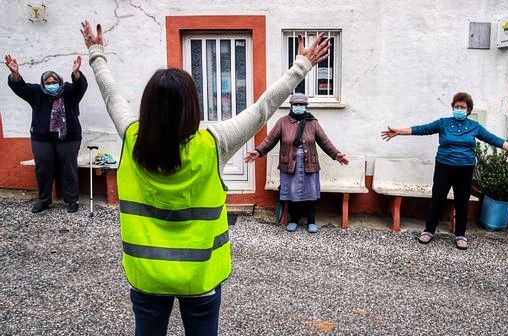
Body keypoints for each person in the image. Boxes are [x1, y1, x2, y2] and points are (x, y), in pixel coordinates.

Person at [80, 20, 329, 336]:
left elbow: (112, 96)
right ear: (192, 106)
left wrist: (96, 53)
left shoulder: (132, 139)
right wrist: (302, 66)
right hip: (200, 277)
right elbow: (263, 108)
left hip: (146, 275)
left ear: (148, 107)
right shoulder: (213, 144)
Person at [381, 92, 508, 250]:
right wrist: (399, 131)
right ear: (452, 107)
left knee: (462, 202)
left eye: (463, 107)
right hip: (444, 168)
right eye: (457, 106)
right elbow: (422, 129)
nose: (459, 109)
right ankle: (429, 231)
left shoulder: (475, 127)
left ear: (468, 110)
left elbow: (493, 139)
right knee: (437, 199)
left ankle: (460, 234)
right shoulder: (443, 123)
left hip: (465, 169)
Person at [244, 93, 348, 233]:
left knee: (310, 193)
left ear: (306, 106)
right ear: (291, 106)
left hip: (309, 164)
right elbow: (270, 140)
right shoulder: (282, 122)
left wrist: (336, 155)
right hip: (289, 165)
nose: (299, 107)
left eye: (302, 105)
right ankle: (294, 220)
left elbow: (324, 141)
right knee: (292, 193)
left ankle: (311, 221)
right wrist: (258, 151)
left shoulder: (313, 122)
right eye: (296, 104)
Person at [5, 54, 87, 213]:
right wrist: (15, 74)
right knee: (43, 168)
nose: (51, 85)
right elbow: (20, 87)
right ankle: (44, 200)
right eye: (48, 83)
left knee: (68, 168)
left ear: (59, 82)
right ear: (43, 84)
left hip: (68, 137)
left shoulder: (69, 91)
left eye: (54, 82)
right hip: (42, 138)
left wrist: (76, 73)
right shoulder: (36, 92)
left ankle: (72, 200)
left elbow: (80, 87)